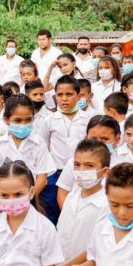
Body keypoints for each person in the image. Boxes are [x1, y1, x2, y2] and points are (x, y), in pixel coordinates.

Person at [53, 139, 111, 266]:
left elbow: (95, 247)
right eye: (77, 165)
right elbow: (61, 233)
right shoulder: (73, 195)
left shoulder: (106, 205)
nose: (81, 170)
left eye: (89, 166)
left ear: (104, 171)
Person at [36, 76, 98, 223]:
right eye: (60, 95)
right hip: (55, 174)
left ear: (78, 95)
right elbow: (42, 146)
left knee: (79, 211)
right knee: (52, 211)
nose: (64, 99)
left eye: (69, 94)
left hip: (81, 173)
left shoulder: (89, 118)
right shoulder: (49, 120)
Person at [0, 94, 56, 199]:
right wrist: (6, 197)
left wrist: (27, 199)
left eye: (28, 120)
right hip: (5, 198)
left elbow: (42, 178)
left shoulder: (38, 143)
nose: (23, 124)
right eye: (18, 120)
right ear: (6, 120)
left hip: (31, 197)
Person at [55, 115, 123, 203]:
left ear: (116, 140)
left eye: (105, 139)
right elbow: (63, 193)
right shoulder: (74, 161)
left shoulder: (122, 165)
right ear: (86, 137)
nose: (98, 143)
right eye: (93, 138)